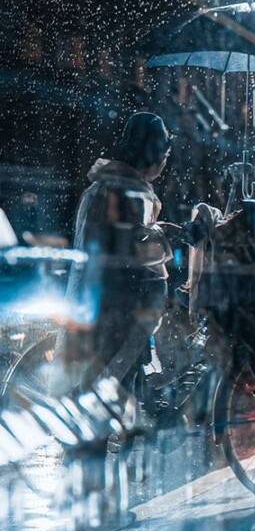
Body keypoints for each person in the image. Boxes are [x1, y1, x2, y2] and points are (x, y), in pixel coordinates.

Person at [65, 112, 174, 396]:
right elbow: (134, 246)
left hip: (94, 300)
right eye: (164, 153)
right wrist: (170, 235)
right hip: (120, 307)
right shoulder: (130, 190)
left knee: (98, 382)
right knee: (111, 386)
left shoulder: (102, 185)